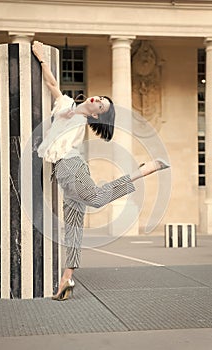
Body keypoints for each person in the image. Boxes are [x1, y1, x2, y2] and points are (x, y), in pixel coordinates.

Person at [32, 41, 170, 301]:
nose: (98, 101)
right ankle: (66, 280)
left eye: (102, 106)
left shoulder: (81, 119)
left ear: (96, 116)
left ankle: (142, 171)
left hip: (72, 168)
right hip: (64, 174)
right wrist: (41, 58)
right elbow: (51, 84)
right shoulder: (65, 104)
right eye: (100, 99)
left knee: (95, 198)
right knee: (73, 227)